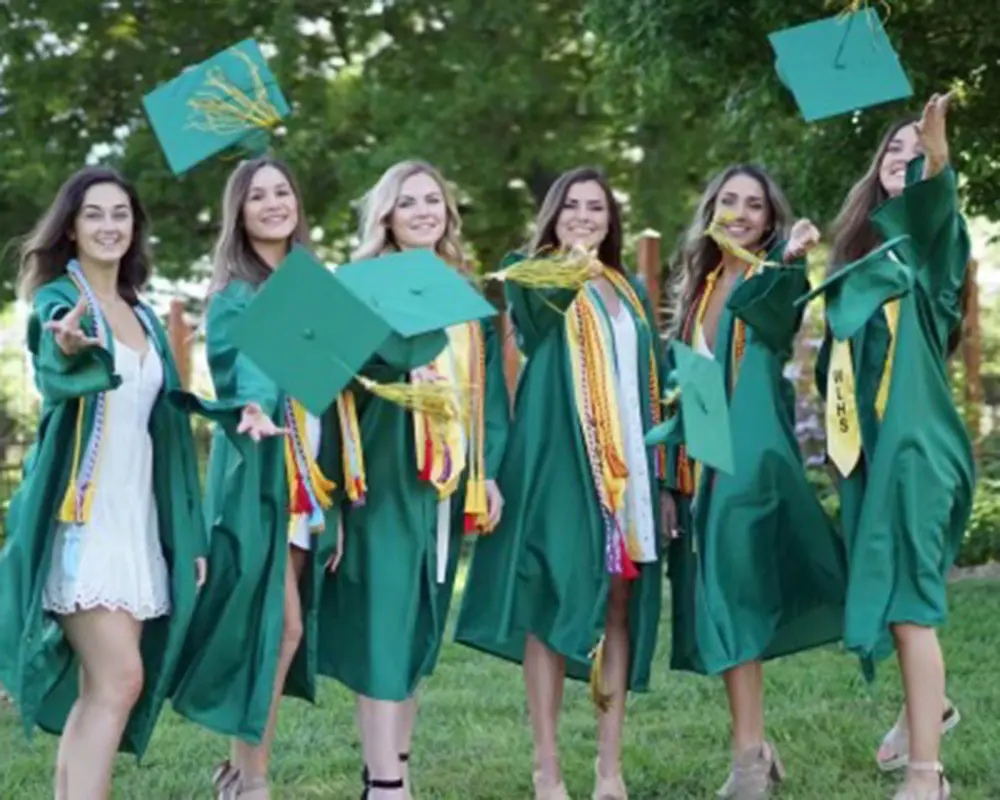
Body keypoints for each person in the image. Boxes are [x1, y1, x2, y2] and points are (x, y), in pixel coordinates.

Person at [455, 166, 666, 800]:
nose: (583, 216)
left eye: (595, 208)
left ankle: (609, 767)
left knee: (619, 602)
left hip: (625, 465)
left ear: (611, 220)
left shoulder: (624, 291)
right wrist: (567, 261)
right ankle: (546, 767)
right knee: (547, 601)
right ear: (553, 214)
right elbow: (536, 319)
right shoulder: (530, 273)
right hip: (557, 462)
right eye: (571, 206)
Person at [0, 166, 208, 799]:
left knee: (103, 692)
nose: (109, 225)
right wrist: (68, 350)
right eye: (94, 213)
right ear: (71, 225)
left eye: (121, 213)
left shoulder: (142, 315)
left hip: (136, 521)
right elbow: (54, 360)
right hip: (82, 521)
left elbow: (167, 432)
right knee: (119, 680)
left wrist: (189, 536)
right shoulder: (62, 304)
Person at [318, 160, 509, 799]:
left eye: (433, 200)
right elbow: (329, 382)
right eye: (408, 202)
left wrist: (487, 473)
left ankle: (396, 766)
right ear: (386, 216)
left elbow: (484, 397)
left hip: (445, 483)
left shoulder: (459, 290)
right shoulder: (362, 284)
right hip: (384, 471)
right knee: (384, 620)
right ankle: (385, 783)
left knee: (418, 623)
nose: (424, 211)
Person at [661, 164, 847, 799]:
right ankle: (752, 749)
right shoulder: (700, 283)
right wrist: (670, 481)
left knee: (737, 597)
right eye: (729, 201)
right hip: (705, 463)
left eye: (755, 206)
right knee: (724, 599)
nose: (741, 213)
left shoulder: (774, 274)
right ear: (712, 208)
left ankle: (748, 761)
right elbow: (685, 383)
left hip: (753, 462)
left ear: (771, 220)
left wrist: (793, 258)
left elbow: (777, 319)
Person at [168, 157, 344, 800]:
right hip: (260, 473)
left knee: (274, 630)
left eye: (282, 192)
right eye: (257, 196)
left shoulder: (312, 283)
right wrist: (253, 406)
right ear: (238, 213)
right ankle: (251, 779)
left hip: (307, 481)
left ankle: (240, 773)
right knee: (280, 628)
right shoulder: (234, 293)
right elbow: (236, 373)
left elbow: (332, 385)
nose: (273, 204)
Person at [815, 92, 972, 800]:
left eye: (917, 153)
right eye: (894, 150)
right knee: (897, 594)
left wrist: (936, 148)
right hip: (873, 454)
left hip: (918, 447)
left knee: (910, 601)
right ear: (875, 168)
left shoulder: (929, 253)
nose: (903, 159)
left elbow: (936, 204)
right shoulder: (859, 256)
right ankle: (928, 710)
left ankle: (925, 774)